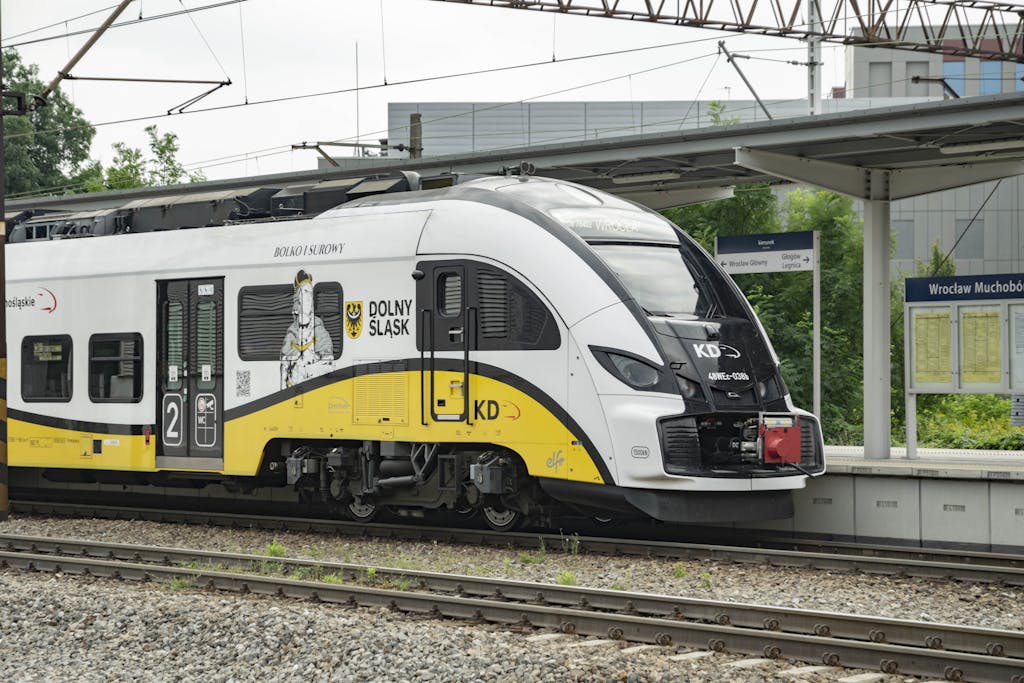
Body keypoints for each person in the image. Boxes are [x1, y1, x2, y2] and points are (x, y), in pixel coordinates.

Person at [280, 269, 334, 388]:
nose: (309, 297)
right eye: (305, 292)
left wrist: (304, 372)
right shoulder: (291, 333)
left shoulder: (319, 330)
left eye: (310, 293)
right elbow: (284, 369)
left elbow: (329, 366)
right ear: (298, 298)